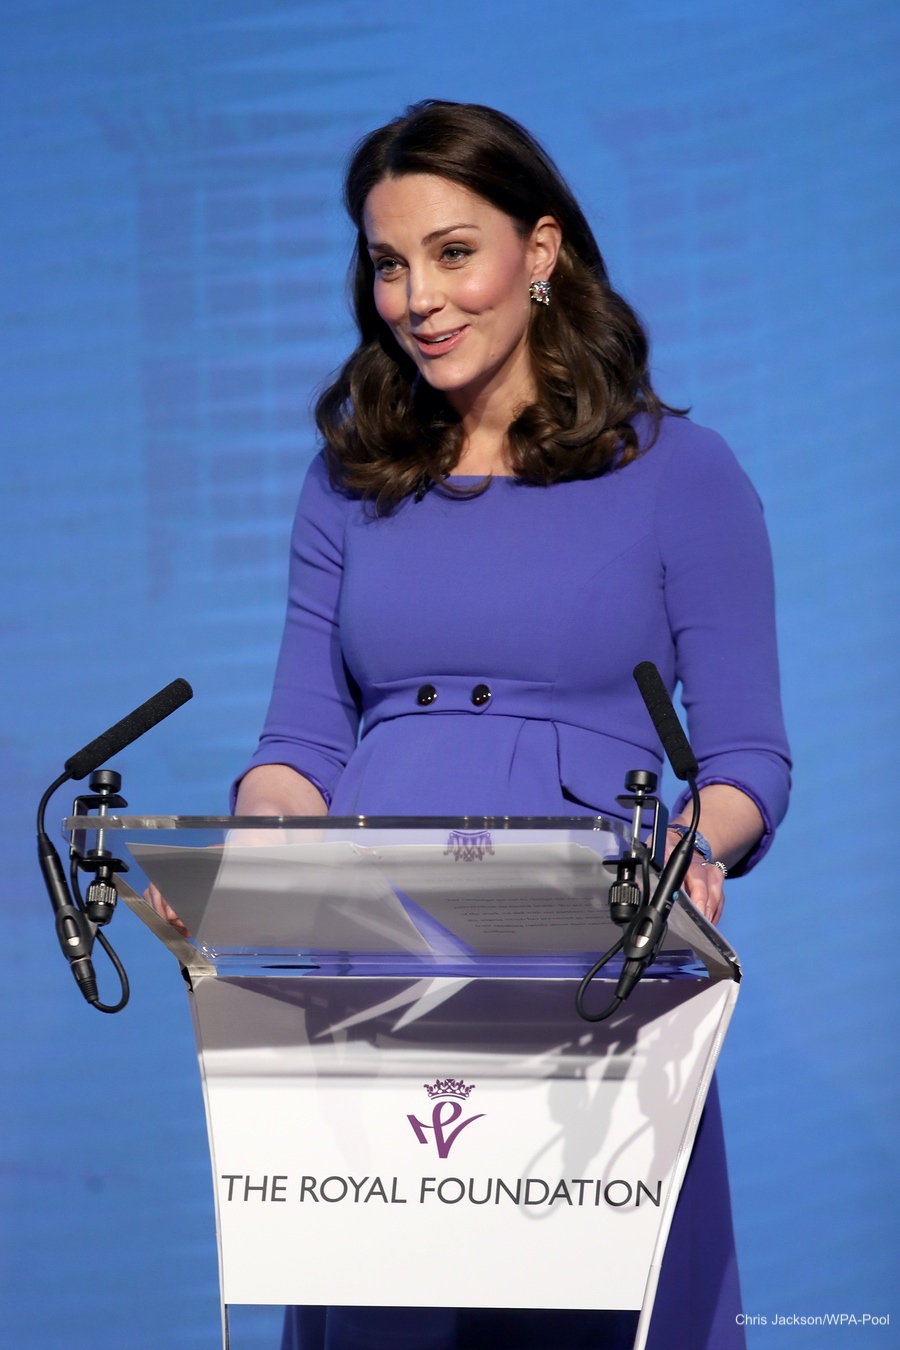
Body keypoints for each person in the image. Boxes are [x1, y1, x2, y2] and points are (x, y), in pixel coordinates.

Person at [164, 100, 792, 1348]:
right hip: (373, 963)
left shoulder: (680, 471)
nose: (418, 298)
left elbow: (746, 765)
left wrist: (694, 852)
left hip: (588, 962)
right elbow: (297, 750)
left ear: (541, 251)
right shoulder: (348, 479)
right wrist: (252, 865)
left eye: (454, 252)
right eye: (389, 264)